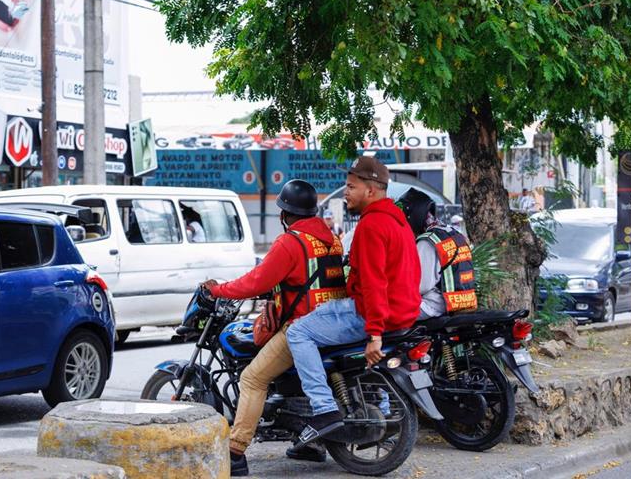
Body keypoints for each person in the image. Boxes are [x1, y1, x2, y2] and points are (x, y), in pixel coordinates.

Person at [202, 179, 347, 476]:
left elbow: (257, 281)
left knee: (253, 379)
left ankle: (236, 451)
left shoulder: (290, 242)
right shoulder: (331, 239)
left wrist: (219, 290)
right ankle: (310, 444)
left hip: (303, 326)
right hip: (334, 323)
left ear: (284, 214)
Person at [286, 156, 421, 446]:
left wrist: (374, 334)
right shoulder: (399, 222)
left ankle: (323, 409)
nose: (345, 192)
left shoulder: (371, 226)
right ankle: (381, 411)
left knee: (298, 332)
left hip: (374, 314)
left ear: (370, 191)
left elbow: (374, 283)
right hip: (403, 314)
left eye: (351, 186)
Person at [396, 188, 478, 318]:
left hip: (433, 305)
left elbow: (419, 286)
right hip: (461, 302)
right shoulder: (451, 233)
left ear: (413, 217)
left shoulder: (427, 242)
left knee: (378, 315)